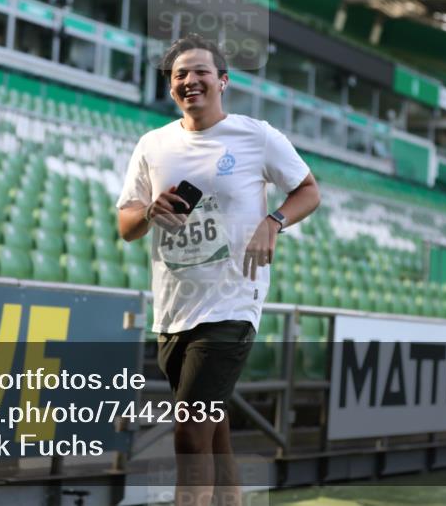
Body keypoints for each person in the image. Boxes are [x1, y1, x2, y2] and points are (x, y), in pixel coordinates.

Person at [116, 34, 320, 506]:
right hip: (174, 308)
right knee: (213, 428)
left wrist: (274, 221)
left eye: (200, 71)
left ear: (223, 81)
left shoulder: (257, 136)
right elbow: (126, 226)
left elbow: (308, 190)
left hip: (232, 303)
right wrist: (150, 212)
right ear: (171, 86)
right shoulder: (153, 144)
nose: (189, 80)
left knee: (190, 435)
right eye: (179, 74)